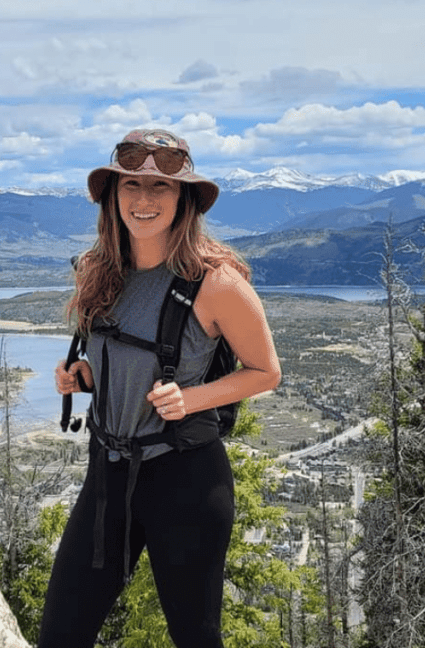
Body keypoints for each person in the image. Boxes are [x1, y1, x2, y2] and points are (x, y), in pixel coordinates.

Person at [37, 128, 281, 648]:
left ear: (184, 199)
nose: (143, 201)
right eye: (131, 186)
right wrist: (84, 378)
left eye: (161, 188)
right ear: (113, 196)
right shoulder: (97, 272)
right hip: (108, 476)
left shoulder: (217, 283)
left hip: (186, 480)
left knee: (195, 638)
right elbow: (121, 359)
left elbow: (266, 372)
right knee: (60, 634)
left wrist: (190, 399)